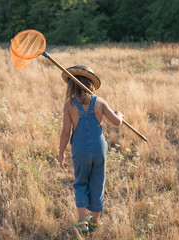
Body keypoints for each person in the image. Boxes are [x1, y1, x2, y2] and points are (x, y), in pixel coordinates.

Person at [58, 65, 123, 232]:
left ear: (72, 85)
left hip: (80, 149)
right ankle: (95, 220)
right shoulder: (99, 102)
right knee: (97, 182)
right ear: (90, 85)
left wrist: (61, 154)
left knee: (81, 182)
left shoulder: (70, 105)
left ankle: (82, 222)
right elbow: (116, 122)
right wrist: (119, 114)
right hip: (99, 147)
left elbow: (66, 132)